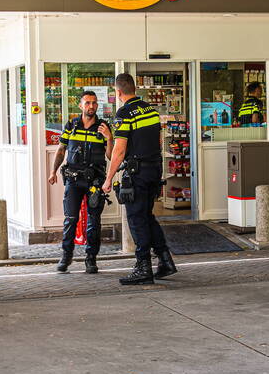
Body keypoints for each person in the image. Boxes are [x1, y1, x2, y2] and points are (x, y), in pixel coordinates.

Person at [102, 73, 178, 285]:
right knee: (147, 216)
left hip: (138, 173)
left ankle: (143, 267)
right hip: (154, 170)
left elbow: (119, 150)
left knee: (136, 220)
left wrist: (108, 179)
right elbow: (159, 140)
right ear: (134, 88)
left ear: (118, 92)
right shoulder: (151, 111)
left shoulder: (125, 113)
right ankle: (165, 260)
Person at [49, 91, 113, 274]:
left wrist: (109, 138)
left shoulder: (103, 126)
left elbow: (110, 155)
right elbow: (61, 150)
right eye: (87, 103)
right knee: (70, 219)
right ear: (80, 106)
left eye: (94, 103)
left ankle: (91, 259)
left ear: (97, 106)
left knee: (94, 221)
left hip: (95, 181)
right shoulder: (72, 125)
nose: (91, 106)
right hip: (74, 180)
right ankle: (66, 256)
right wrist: (53, 171)